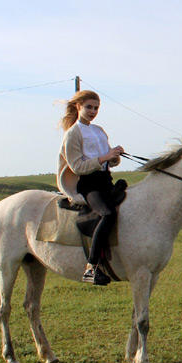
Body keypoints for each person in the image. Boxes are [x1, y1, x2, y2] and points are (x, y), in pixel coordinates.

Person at [57, 90, 125, 285]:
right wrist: (105, 157)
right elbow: (77, 166)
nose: (93, 111)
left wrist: (115, 156)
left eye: (96, 108)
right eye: (89, 107)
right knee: (107, 214)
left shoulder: (99, 130)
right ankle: (91, 268)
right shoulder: (73, 134)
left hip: (106, 180)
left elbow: (110, 163)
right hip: (89, 184)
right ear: (78, 107)